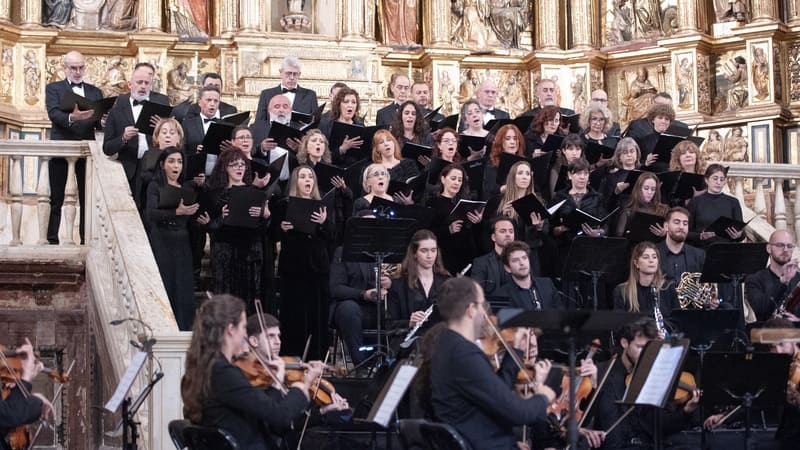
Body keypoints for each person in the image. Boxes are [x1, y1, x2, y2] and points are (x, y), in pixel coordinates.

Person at [427, 276, 556, 450]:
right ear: (471, 310)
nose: (486, 313)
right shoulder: (464, 354)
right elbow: (517, 413)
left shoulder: (446, 346)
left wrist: (516, 351)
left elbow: (497, 395)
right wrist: (543, 396)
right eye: (483, 305)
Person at [181, 294, 322, 450]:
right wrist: (301, 389)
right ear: (230, 330)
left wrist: (276, 385)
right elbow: (281, 417)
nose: (245, 335)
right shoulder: (223, 373)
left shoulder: (204, 369)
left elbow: (265, 413)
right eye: (243, 327)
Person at [586, 317, 699, 449]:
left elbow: (663, 426)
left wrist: (686, 411)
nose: (646, 354)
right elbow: (585, 421)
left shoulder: (656, 375)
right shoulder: (601, 372)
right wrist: (593, 385)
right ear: (624, 343)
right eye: (640, 347)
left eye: (650, 348)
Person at [244, 312, 350, 447]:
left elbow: (293, 424)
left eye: (278, 336)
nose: (278, 341)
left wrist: (324, 411)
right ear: (253, 341)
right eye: (270, 336)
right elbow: (279, 426)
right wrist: (304, 384)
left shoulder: (278, 371)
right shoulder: (252, 377)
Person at [704, 317, 799, 449]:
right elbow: (755, 399)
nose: (777, 351)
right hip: (787, 437)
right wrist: (724, 417)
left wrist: (794, 397)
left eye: (782, 344)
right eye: (772, 347)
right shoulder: (777, 367)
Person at [45, 51, 106, 245]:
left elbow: (98, 124)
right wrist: (73, 117)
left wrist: (103, 121)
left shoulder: (95, 92)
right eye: (73, 68)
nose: (78, 72)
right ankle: (52, 239)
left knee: (86, 198)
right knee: (56, 196)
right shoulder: (53, 88)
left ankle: (85, 239)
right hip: (61, 146)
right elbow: (54, 114)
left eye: (81, 67)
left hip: (86, 149)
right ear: (65, 68)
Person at [273, 166, 332, 359]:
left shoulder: (322, 205)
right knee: (294, 313)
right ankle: (292, 354)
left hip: (317, 266)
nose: (308, 180)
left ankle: (317, 355)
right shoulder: (284, 204)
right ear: (295, 182)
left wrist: (323, 223)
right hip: (294, 266)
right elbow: (272, 233)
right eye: (303, 177)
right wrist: (281, 228)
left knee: (317, 312)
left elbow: (333, 238)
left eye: (310, 177)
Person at [203, 148, 270, 313]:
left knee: (248, 302)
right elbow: (208, 225)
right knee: (226, 304)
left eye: (242, 165)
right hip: (225, 253)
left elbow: (262, 229)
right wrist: (221, 219)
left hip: (249, 253)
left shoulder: (255, 193)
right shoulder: (214, 194)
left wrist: (265, 215)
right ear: (225, 167)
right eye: (234, 165)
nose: (239, 168)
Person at [145, 147, 198, 330]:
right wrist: (176, 212)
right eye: (172, 161)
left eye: (180, 161)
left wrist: (193, 214)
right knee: (166, 283)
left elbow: (190, 218)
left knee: (182, 286)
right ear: (162, 164)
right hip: (162, 240)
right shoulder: (155, 186)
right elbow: (151, 214)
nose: (176, 165)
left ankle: (184, 328)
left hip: (182, 241)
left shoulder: (186, 188)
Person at [103, 62, 171, 199]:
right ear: (130, 85)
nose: (143, 86)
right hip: (129, 168)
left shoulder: (161, 104)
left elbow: (174, 138)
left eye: (147, 83)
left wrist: (162, 127)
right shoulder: (116, 111)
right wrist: (123, 138)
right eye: (139, 82)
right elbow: (107, 148)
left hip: (155, 167)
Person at [330, 244, 393, 365]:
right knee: (349, 310)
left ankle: (391, 367)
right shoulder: (343, 252)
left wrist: (391, 283)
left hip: (381, 308)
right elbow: (335, 288)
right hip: (352, 307)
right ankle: (361, 366)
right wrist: (363, 294)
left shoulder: (389, 251)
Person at [387, 229, 451, 330]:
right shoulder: (399, 283)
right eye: (424, 251)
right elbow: (389, 324)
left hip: (441, 338)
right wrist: (409, 322)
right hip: (412, 340)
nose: (430, 256)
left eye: (433, 250)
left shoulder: (446, 280)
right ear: (414, 253)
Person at [612, 242, 679, 334]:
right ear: (636, 263)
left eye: (654, 257)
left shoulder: (668, 287)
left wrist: (664, 331)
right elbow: (619, 324)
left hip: (663, 341)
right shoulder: (622, 291)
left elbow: (676, 321)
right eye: (646, 257)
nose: (651, 261)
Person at [427, 164, 482, 275]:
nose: (457, 182)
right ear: (443, 179)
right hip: (444, 256)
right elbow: (426, 232)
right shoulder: (432, 203)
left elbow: (472, 232)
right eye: (453, 179)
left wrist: (477, 221)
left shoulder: (466, 202)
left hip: (466, 255)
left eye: (460, 180)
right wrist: (448, 230)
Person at [744, 229, 800, 323]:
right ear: (769, 248)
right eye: (780, 245)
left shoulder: (798, 279)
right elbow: (762, 310)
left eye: (789, 246)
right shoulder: (754, 280)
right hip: (770, 335)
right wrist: (783, 281)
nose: (785, 250)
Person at [686, 164, 744, 247]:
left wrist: (738, 235)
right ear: (706, 180)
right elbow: (686, 232)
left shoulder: (733, 202)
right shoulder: (695, 202)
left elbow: (741, 233)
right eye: (715, 178)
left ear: (725, 181)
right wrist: (700, 236)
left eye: (722, 179)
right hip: (701, 251)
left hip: (726, 250)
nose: (718, 182)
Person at [252, 94, 298, 191]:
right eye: (277, 106)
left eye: (285, 107)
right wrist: (261, 148)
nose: (281, 110)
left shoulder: (299, 129)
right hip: (264, 184)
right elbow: (248, 152)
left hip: (292, 185)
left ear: (290, 110)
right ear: (269, 110)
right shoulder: (256, 128)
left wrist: (299, 150)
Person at [500, 241, 561, 310]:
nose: (522, 263)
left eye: (524, 258)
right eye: (516, 260)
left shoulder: (547, 284)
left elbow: (560, 314)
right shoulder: (502, 295)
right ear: (507, 268)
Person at [255, 56, 318, 121]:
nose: (292, 77)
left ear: (299, 74)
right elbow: (259, 122)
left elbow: (315, 123)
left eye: (295, 74)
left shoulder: (310, 95)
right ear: (280, 73)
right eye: (288, 73)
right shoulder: (266, 94)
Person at [318, 86, 366, 168]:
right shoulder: (327, 125)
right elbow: (322, 154)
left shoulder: (360, 125)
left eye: (353, 102)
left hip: (354, 171)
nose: (350, 105)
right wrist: (342, 149)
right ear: (339, 105)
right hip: (333, 170)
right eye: (346, 102)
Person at [656, 207, 706, 284]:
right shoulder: (654, 253)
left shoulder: (699, 255)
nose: (681, 227)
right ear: (666, 226)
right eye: (677, 222)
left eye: (685, 223)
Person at [614, 172, 668, 239]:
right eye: (646, 188)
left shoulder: (663, 209)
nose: (649, 192)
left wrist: (665, 234)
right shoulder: (628, 210)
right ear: (639, 189)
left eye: (653, 189)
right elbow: (619, 235)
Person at [471, 217, 515, 297]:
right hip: (493, 307)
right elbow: (476, 294)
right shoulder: (481, 263)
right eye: (503, 231)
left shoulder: (523, 260)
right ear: (493, 237)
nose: (508, 234)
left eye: (511, 231)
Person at [172, 72, 237, 122]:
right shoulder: (191, 109)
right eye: (210, 85)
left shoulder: (231, 110)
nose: (213, 88)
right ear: (203, 87)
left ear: (221, 89)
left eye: (216, 86)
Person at [483, 124, 525, 200]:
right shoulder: (492, 163)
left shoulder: (524, 162)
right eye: (508, 139)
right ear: (500, 142)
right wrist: (508, 187)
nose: (512, 142)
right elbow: (490, 190)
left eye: (515, 138)